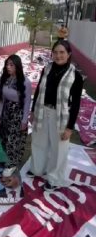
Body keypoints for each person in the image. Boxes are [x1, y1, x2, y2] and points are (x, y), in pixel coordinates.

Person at [28, 40, 83, 190]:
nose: (58, 56)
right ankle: (38, 169)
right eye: (55, 52)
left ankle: (54, 178)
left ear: (68, 54)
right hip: (42, 110)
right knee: (39, 141)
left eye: (62, 52)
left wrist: (70, 127)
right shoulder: (47, 68)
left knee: (59, 148)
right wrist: (33, 111)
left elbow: (76, 103)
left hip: (60, 116)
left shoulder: (75, 76)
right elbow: (39, 90)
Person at [0, 55, 32, 177]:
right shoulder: (6, 79)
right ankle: (5, 157)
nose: (8, 67)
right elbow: (2, 98)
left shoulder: (25, 82)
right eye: (7, 64)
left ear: (18, 66)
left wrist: (24, 120)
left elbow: (27, 102)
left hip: (18, 114)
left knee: (13, 139)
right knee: (4, 136)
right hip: (6, 112)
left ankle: (12, 164)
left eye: (11, 65)